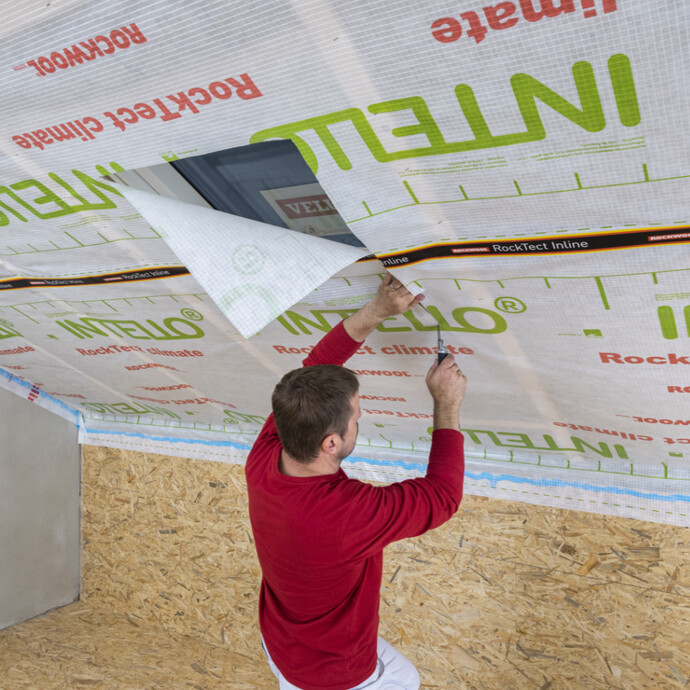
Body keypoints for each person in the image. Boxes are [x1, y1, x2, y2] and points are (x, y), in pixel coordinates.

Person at [245, 274, 467, 690]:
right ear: (332, 443)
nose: (360, 418)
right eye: (356, 417)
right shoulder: (346, 515)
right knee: (405, 681)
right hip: (334, 675)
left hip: (282, 643)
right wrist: (447, 404)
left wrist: (377, 311)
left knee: (405, 675)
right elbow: (442, 497)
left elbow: (312, 371)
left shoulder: (266, 456)